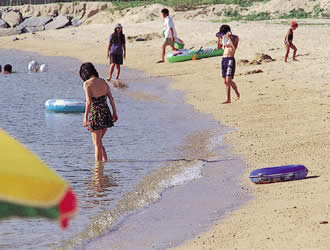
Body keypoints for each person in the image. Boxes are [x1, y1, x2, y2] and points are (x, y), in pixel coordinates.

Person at [80, 62, 118, 162]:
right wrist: (114, 113)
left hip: (96, 115)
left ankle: (98, 172)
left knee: (97, 145)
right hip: (106, 113)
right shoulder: (103, 81)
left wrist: (85, 118)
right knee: (99, 142)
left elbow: (88, 102)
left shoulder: (87, 84)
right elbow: (111, 98)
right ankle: (105, 162)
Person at [217, 25, 240, 104]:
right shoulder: (224, 38)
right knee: (226, 81)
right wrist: (219, 38)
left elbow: (234, 47)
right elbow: (219, 48)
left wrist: (229, 37)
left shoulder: (236, 38)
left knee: (228, 80)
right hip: (224, 59)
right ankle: (236, 92)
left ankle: (228, 99)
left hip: (230, 59)